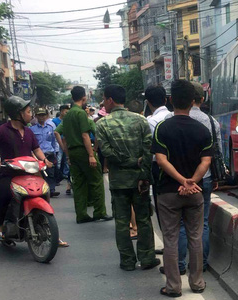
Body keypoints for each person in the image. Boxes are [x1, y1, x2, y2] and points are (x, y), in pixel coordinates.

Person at [152, 80, 213, 297]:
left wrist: (180, 180)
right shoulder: (202, 130)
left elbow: (160, 160)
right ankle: (197, 283)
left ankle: (173, 287)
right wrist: (192, 181)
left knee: (170, 239)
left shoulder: (162, 128)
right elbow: (206, 162)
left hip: (168, 193)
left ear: (170, 101)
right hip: (195, 194)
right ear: (193, 102)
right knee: (195, 237)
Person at [96, 84, 159, 271]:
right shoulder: (140, 121)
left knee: (122, 222)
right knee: (144, 220)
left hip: (118, 181)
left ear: (110, 100)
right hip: (140, 178)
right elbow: (149, 150)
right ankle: (147, 258)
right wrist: (142, 171)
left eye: (104, 99)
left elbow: (106, 152)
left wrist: (127, 161)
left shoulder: (102, 124)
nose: (103, 104)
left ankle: (127, 261)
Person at [0, 96, 53, 239]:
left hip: (29, 172)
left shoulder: (29, 131)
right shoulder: (1, 130)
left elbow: (36, 149)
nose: (30, 115)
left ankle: (47, 225)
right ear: (18, 114)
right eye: (28, 112)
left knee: (44, 190)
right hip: (9, 173)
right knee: (5, 194)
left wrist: (45, 160)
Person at [55, 86, 111, 224]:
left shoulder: (67, 116)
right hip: (83, 151)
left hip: (72, 153)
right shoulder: (80, 114)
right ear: (84, 97)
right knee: (96, 181)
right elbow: (85, 135)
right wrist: (91, 155)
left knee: (78, 184)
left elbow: (62, 137)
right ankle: (99, 212)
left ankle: (81, 214)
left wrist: (67, 154)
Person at [144, 85, 169, 243]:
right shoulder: (174, 116)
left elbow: (149, 151)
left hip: (159, 169)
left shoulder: (151, 122)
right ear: (166, 100)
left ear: (148, 102)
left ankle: (170, 247)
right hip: (183, 168)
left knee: (164, 211)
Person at [30, 107, 60, 197]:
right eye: (39, 115)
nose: (41, 117)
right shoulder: (32, 129)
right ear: (36, 116)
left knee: (51, 172)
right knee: (39, 173)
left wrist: (55, 152)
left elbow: (53, 141)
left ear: (46, 116)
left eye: (43, 115)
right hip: (38, 154)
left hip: (49, 153)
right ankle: (40, 190)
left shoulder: (50, 128)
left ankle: (51, 190)